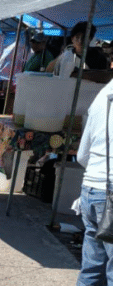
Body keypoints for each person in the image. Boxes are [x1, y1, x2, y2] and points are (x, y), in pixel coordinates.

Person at [76, 78, 113, 285]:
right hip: (109, 191)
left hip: (90, 189)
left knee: (92, 269)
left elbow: (82, 155)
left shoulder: (101, 97)